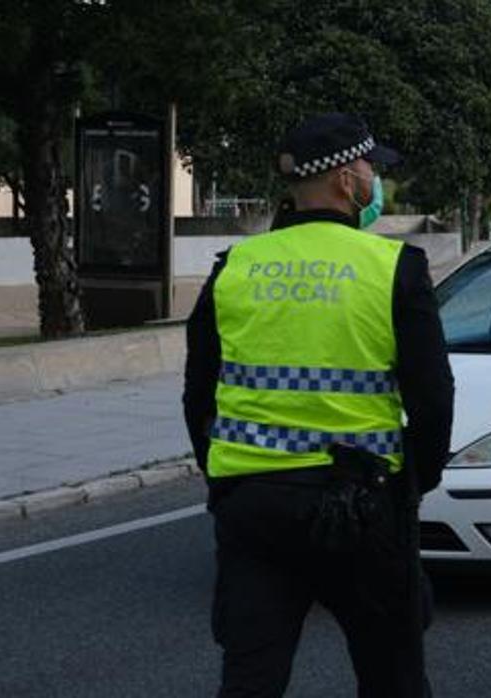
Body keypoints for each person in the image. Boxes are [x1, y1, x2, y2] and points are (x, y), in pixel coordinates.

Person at [182, 112, 455, 696]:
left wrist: (226, 476)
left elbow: (196, 397)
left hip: (253, 506)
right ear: (345, 180)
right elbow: (433, 401)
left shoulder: (235, 269)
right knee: (392, 677)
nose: (376, 179)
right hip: (362, 506)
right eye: (370, 167)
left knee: (251, 680)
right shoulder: (394, 269)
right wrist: (413, 483)